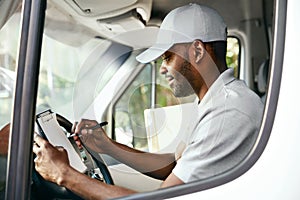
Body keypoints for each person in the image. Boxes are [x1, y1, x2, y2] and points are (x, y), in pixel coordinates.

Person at [33, 3, 263, 200]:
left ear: (198, 51)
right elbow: (176, 166)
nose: (162, 68)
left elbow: (164, 196)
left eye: (168, 57)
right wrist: (107, 146)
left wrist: (64, 174)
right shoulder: (216, 101)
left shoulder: (227, 111)